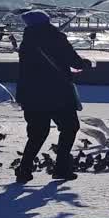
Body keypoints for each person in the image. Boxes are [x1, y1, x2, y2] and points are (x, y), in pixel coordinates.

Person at [14, 10, 93, 183]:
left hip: (31, 95)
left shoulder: (27, 41)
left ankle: (24, 170)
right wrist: (86, 64)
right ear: (46, 21)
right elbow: (73, 61)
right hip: (57, 93)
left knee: (37, 133)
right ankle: (61, 168)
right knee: (70, 127)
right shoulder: (55, 37)